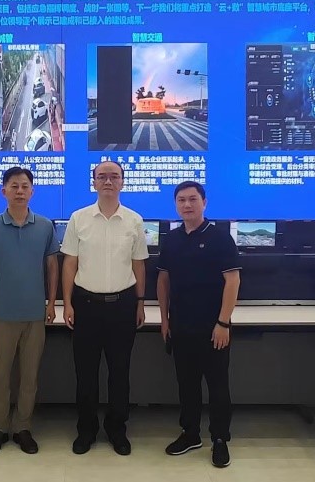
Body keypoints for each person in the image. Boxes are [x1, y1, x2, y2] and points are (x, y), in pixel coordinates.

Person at [60, 161, 148, 455]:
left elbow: (138, 264)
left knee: (120, 372)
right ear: (94, 182)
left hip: (123, 306)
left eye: (114, 177)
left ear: (122, 181)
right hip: (86, 306)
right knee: (85, 373)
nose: (108, 181)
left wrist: (140, 302)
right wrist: (67, 302)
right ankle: (86, 431)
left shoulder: (134, 220)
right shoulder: (78, 218)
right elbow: (69, 263)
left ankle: (117, 430)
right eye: (102, 177)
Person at [0, 167, 59, 455]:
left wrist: (52, 302)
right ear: (4, 191)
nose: (19, 191)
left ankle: (23, 427)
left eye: (24, 186)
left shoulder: (45, 226)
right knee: (0, 376)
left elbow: (52, 266)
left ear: (32, 191)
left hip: (35, 314)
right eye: (14, 186)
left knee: (29, 376)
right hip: (1, 315)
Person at [156, 181, 240, 468]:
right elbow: (163, 281)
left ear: (204, 202)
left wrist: (223, 322)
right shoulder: (172, 239)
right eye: (181, 200)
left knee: (218, 386)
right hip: (181, 327)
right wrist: (165, 320)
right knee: (187, 385)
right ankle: (190, 433)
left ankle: (220, 439)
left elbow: (232, 281)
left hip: (213, 327)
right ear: (176, 205)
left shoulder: (220, 238)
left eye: (193, 199)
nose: (187, 205)